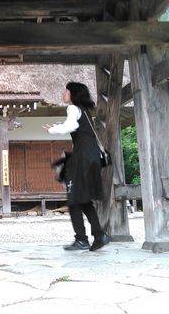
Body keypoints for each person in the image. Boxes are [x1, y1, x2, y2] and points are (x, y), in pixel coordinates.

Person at [43, 82, 109, 252]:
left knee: (73, 198)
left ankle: (82, 239)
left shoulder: (73, 108)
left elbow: (71, 125)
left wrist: (52, 130)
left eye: (66, 91)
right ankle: (99, 235)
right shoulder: (84, 110)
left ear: (73, 94)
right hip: (91, 155)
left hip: (82, 157)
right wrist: (58, 126)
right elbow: (75, 126)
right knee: (83, 198)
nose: (64, 93)